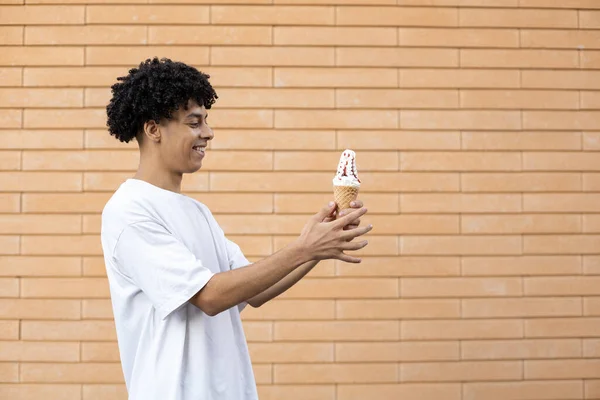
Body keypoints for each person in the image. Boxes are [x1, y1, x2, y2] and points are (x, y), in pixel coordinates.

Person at [100, 57, 372, 400]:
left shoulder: (198, 213)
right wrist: (305, 248)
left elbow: (252, 291)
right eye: (194, 122)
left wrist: (319, 245)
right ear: (153, 129)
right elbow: (210, 297)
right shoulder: (129, 211)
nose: (208, 133)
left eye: (206, 121)